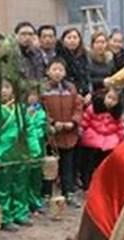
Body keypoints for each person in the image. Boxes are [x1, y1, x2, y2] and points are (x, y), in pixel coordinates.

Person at [0, 79, 34, 230]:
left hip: (21, 155)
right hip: (4, 156)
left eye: (6, 87)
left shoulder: (21, 109)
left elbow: (29, 130)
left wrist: (33, 149)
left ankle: (20, 212)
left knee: (21, 185)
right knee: (3, 189)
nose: (3, 91)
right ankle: (5, 216)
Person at [41, 58, 83, 207]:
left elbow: (78, 107)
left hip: (68, 134)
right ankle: (46, 194)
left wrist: (73, 122)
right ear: (48, 71)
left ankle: (68, 193)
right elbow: (40, 110)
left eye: (60, 70)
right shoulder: (43, 89)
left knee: (68, 166)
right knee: (49, 167)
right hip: (51, 135)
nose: (57, 73)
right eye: (54, 69)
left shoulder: (71, 88)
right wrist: (52, 123)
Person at [79, 88, 124, 188]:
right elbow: (85, 120)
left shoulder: (118, 113)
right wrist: (82, 131)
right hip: (93, 135)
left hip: (110, 138)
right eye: (109, 98)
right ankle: (86, 181)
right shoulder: (94, 107)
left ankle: (102, 181)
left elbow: (121, 128)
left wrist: (121, 140)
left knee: (105, 162)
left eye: (114, 100)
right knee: (88, 161)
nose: (110, 101)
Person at [25, 82, 48, 215]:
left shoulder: (41, 111)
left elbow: (42, 126)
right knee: (25, 177)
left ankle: (36, 201)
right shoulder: (22, 111)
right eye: (30, 95)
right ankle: (26, 203)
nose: (32, 98)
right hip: (27, 146)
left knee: (37, 176)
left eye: (35, 95)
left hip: (39, 144)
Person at [57, 28, 90, 96]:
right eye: (69, 38)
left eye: (75, 38)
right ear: (63, 40)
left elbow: (87, 77)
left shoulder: (83, 56)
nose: (72, 40)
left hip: (83, 93)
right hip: (66, 94)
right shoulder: (59, 57)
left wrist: (88, 93)